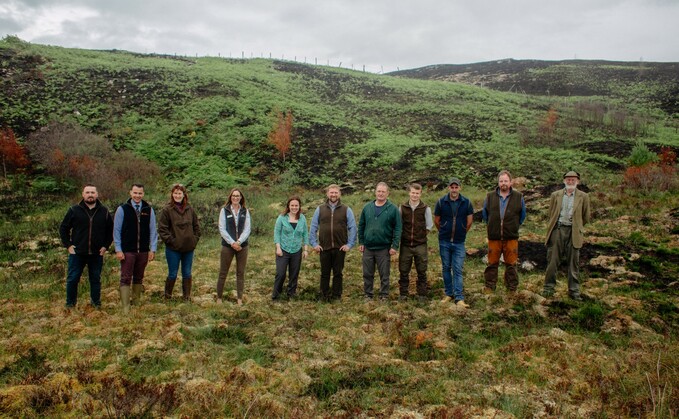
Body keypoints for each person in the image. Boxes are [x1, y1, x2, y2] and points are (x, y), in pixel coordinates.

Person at [59, 184, 113, 309]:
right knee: (72, 279)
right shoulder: (74, 210)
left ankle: (96, 304)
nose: (90, 195)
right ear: (83, 194)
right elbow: (63, 228)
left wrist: (105, 246)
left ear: (97, 194)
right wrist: (68, 245)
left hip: (96, 253)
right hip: (77, 253)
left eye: (92, 192)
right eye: (87, 192)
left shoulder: (104, 211)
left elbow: (110, 231)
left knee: (95, 279)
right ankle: (70, 305)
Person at [543, 171, 591, 300]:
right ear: (564, 181)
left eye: (573, 179)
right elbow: (551, 214)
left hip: (574, 232)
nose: (570, 181)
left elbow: (586, 217)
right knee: (552, 260)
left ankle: (574, 292)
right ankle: (548, 288)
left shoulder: (584, 196)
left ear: (578, 181)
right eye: (568, 179)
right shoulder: (555, 195)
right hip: (557, 230)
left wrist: (576, 226)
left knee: (573, 263)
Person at [114, 184, 158, 313]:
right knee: (126, 277)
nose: (137, 196)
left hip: (143, 250)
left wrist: (152, 249)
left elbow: (153, 230)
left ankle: (136, 302)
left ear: (143, 194)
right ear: (130, 193)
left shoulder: (148, 210)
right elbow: (116, 231)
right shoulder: (122, 209)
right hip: (127, 250)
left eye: (140, 193)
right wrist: (118, 249)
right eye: (135, 193)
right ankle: (126, 307)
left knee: (139, 277)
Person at [309, 184, 357, 301]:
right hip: (324, 247)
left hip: (340, 247)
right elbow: (313, 227)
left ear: (339, 194)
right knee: (324, 273)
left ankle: (336, 295)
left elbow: (353, 228)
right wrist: (314, 244)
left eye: (336, 193)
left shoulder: (346, 209)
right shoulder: (319, 209)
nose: (333, 195)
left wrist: (349, 244)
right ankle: (323, 295)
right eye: (331, 192)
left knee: (338, 273)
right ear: (327, 194)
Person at [482, 170, 526, 296]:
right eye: (501, 181)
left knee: (511, 264)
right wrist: (492, 225)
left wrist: (513, 226)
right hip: (494, 236)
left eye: (506, 181)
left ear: (511, 182)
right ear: (498, 182)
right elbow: (485, 214)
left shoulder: (518, 197)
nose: (503, 183)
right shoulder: (490, 196)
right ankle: (490, 286)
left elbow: (522, 215)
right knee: (492, 263)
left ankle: (511, 288)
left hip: (511, 237)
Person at [358, 182, 402, 301]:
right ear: (375, 192)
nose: (381, 194)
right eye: (379, 191)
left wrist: (395, 245)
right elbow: (361, 225)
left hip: (384, 248)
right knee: (367, 273)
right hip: (368, 247)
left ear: (387, 193)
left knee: (384, 274)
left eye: (383, 191)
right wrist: (361, 242)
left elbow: (398, 228)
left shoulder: (393, 209)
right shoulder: (367, 207)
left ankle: (384, 295)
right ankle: (368, 294)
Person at [158, 183, 201, 302]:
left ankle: (186, 297)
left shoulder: (190, 209)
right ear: (172, 194)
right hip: (173, 249)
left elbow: (197, 227)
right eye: (175, 193)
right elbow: (162, 229)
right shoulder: (167, 210)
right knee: (172, 273)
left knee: (187, 273)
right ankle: (167, 297)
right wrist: (172, 241)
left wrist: (194, 240)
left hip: (188, 248)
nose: (177, 195)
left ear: (184, 195)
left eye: (180, 193)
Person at [434, 178, 474, 307]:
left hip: (459, 242)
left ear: (460, 188)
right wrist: (444, 230)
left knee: (457, 269)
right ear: (448, 188)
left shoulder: (466, 203)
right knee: (446, 268)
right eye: (452, 187)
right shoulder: (441, 202)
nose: (454, 190)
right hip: (444, 241)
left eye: (456, 187)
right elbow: (437, 220)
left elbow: (469, 221)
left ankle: (459, 298)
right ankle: (448, 294)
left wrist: (462, 231)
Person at [398, 183, 433, 302]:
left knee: (422, 270)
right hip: (405, 245)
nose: (415, 195)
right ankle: (403, 294)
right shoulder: (402, 208)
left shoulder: (426, 208)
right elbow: (399, 225)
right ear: (409, 192)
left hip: (420, 244)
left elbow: (429, 226)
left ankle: (422, 294)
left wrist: (420, 236)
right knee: (403, 270)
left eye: (417, 193)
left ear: (420, 194)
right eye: (413, 192)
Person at [216, 188, 251, 305]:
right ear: (230, 197)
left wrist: (239, 242)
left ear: (241, 198)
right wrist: (232, 243)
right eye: (233, 196)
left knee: (240, 273)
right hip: (227, 246)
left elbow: (247, 229)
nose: (235, 198)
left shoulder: (245, 211)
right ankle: (219, 298)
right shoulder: (224, 211)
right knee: (223, 272)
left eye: (238, 196)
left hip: (242, 247)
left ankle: (239, 299)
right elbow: (222, 228)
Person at [272, 196, 309, 300]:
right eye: (292, 205)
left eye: (296, 205)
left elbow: (305, 234)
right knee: (281, 273)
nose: (294, 207)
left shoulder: (302, 218)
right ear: (288, 206)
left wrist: (306, 249)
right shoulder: (282, 217)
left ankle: (291, 294)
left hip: (297, 250)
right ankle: (276, 295)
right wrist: (278, 247)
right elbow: (277, 233)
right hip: (283, 250)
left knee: (294, 274)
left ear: (299, 206)